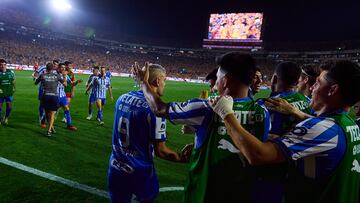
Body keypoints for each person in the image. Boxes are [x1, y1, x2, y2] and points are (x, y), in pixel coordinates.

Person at [209, 60, 360, 203]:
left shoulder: (323, 129)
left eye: (318, 83)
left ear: (333, 90)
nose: (312, 88)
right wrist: (296, 115)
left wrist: (226, 113)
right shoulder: (349, 124)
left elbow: (258, 155)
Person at [133, 52, 271, 203]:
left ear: (225, 81)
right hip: (243, 195)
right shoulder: (262, 113)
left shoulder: (205, 107)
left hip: (204, 194)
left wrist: (143, 83)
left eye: (218, 78)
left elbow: (159, 108)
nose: (215, 83)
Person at [108, 63, 192, 203]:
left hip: (115, 167)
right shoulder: (155, 112)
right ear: (157, 81)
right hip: (140, 171)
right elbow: (161, 152)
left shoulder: (122, 98)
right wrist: (184, 158)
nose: (164, 84)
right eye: (164, 80)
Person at [268, 62, 312, 135]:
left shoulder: (267, 104)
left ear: (275, 78)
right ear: (297, 82)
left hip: (277, 145)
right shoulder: (307, 100)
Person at [35, 63, 67, 136]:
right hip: (54, 96)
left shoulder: (43, 75)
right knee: (52, 114)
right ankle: (49, 130)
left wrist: (39, 79)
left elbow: (36, 83)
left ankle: (51, 127)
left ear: (46, 68)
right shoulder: (57, 76)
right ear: (53, 69)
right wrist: (64, 76)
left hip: (45, 96)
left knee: (47, 113)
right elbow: (65, 84)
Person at [34, 60, 59, 128]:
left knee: (49, 106)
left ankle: (46, 119)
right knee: (42, 104)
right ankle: (41, 117)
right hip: (42, 89)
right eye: (54, 64)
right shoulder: (43, 68)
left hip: (52, 91)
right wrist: (36, 78)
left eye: (56, 65)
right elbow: (36, 72)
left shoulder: (56, 72)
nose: (54, 65)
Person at [56, 63, 77, 130]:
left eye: (64, 67)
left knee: (67, 109)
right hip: (56, 96)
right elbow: (65, 84)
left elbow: (71, 83)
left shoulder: (65, 75)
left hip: (63, 96)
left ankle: (69, 125)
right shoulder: (56, 75)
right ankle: (45, 120)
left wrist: (77, 82)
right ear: (58, 68)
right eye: (62, 67)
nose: (63, 69)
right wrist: (65, 76)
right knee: (53, 111)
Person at [0, 59, 16, 125]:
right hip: (0, 93)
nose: (3, 66)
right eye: (1, 65)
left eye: (4, 64)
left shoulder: (11, 72)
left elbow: (14, 80)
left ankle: (6, 118)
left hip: (8, 93)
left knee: (9, 107)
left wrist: (15, 88)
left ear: (6, 65)